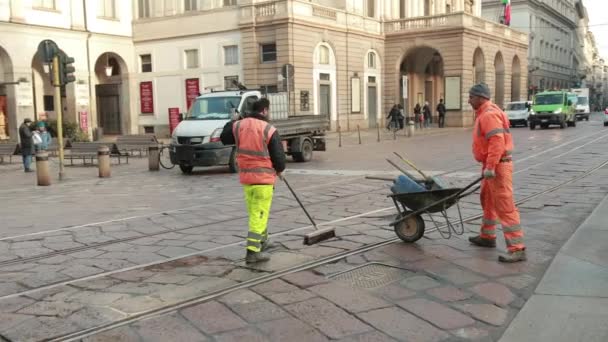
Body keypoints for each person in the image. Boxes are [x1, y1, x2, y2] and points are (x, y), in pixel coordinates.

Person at [220, 98, 286, 263]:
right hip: (263, 180)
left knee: (256, 212)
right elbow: (278, 155)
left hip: (247, 179)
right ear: (264, 111)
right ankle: (253, 252)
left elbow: (224, 137)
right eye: (268, 111)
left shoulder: (239, 125)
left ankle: (264, 241)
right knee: (259, 214)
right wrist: (280, 169)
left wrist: (233, 120)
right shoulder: (268, 129)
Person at [468, 83, 526, 263]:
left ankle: (517, 248)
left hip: (497, 167)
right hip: (492, 165)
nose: (469, 100)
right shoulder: (486, 113)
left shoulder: (489, 115)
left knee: (505, 206)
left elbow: (497, 142)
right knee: (488, 200)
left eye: (471, 97)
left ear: (480, 98)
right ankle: (487, 237)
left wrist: (491, 167)